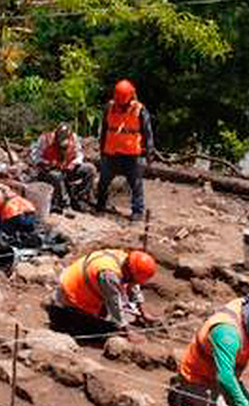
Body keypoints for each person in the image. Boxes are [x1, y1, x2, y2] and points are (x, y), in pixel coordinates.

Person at [48, 248, 157, 336]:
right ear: (129, 273)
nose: (133, 283)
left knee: (125, 313)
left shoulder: (126, 260)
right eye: (133, 280)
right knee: (107, 331)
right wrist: (127, 331)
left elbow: (134, 285)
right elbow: (114, 303)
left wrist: (143, 313)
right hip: (71, 294)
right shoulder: (109, 273)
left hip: (78, 283)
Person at [95, 79, 154, 222]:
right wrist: (102, 149)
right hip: (111, 153)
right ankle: (100, 205)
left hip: (132, 154)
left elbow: (147, 132)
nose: (120, 104)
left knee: (136, 184)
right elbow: (104, 130)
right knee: (103, 182)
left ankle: (137, 211)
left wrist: (149, 152)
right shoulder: (109, 108)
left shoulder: (139, 110)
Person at [30, 123, 97, 212]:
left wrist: (74, 163)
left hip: (67, 169)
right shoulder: (45, 139)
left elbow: (79, 154)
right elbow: (35, 156)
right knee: (57, 176)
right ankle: (65, 204)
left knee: (90, 169)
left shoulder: (74, 138)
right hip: (50, 171)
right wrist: (47, 163)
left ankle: (79, 198)